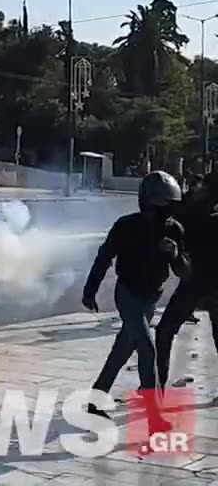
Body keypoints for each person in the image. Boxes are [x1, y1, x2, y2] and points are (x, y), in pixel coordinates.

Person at [82, 171, 189, 426]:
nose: (161, 215)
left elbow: (184, 272)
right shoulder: (126, 226)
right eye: (157, 208)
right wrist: (90, 289)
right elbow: (104, 257)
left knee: (122, 351)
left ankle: (95, 400)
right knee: (147, 349)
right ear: (146, 203)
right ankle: (154, 417)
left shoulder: (174, 230)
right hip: (128, 294)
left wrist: (175, 255)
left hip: (151, 298)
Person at [157, 171, 218, 386]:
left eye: (200, 187)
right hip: (200, 282)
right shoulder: (192, 211)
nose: (195, 189)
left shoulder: (195, 213)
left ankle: (158, 387)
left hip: (197, 283)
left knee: (165, 331)